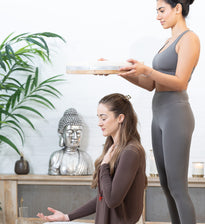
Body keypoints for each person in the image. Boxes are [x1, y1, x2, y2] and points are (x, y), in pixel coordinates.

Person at [118, 0, 200, 224]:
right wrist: (118, 71)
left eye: (162, 10)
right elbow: (150, 84)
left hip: (176, 114)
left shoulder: (189, 39)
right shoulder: (168, 41)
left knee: (177, 187)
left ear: (178, 9)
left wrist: (147, 69)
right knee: (165, 184)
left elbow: (180, 81)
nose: (158, 16)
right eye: (157, 11)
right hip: (159, 113)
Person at [37, 93, 147, 224]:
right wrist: (67, 217)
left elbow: (112, 200)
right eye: (98, 118)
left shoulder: (131, 152)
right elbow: (103, 199)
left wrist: (104, 166)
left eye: (104, 118)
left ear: (120, 118)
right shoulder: (113, 148)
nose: (99, 123)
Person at [48, 108, 93, 176]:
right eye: (70, 132)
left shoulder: (86, 157)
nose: (75, 137)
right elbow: (53, 181)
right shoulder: (56, 157)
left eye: (78, 132)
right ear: (61, 133)